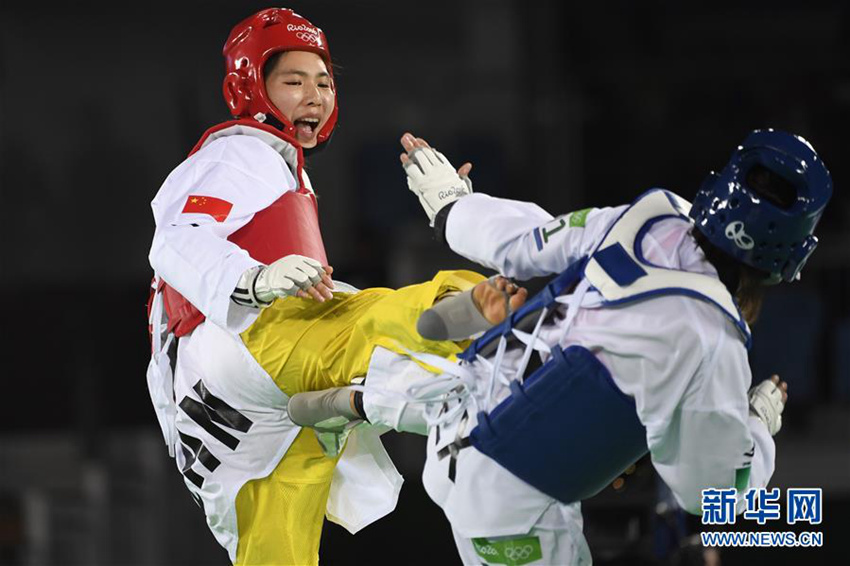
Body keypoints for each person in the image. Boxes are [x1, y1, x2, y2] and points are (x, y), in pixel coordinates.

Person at [289, 129, 831, 564]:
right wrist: (756, 428)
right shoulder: (711, 340)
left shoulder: (653, 217)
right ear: (790, 255)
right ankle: (373, 396)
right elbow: (707, 493)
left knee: (540, 367)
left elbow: (527, 240)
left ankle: (369, 395)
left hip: (464, 412)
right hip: (510, 511)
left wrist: (453, 209)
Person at [145, 8, 524, 564]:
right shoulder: (239, 151)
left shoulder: (278, 163)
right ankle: (484, 318)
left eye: (323, 81)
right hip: (239, 347)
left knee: (272, 539)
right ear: (249, 88)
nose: (315, 95)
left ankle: (440, 393)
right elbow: (175, 240)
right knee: (363, 324)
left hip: (222, 410)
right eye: (293, 81)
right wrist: (250, 280)